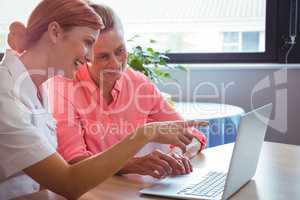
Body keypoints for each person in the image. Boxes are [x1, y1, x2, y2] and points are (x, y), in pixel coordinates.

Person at [0, 0, 207, 199]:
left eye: (119, 51)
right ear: (55, 32)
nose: (89, 58)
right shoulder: (7, 95)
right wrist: (145, 134)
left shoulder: (38, 88)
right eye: (88, 43)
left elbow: (43, 182)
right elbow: (68, 182)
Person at [47, 3, 207, 179]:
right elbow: (74, 162)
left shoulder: (138, 84)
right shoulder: (63, 87)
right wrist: (132, 165)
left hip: (127, 190)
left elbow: (190, 134)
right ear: (85, 55)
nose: (116, 64)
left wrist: (177, 155)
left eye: (120, 51)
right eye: (103, 56)